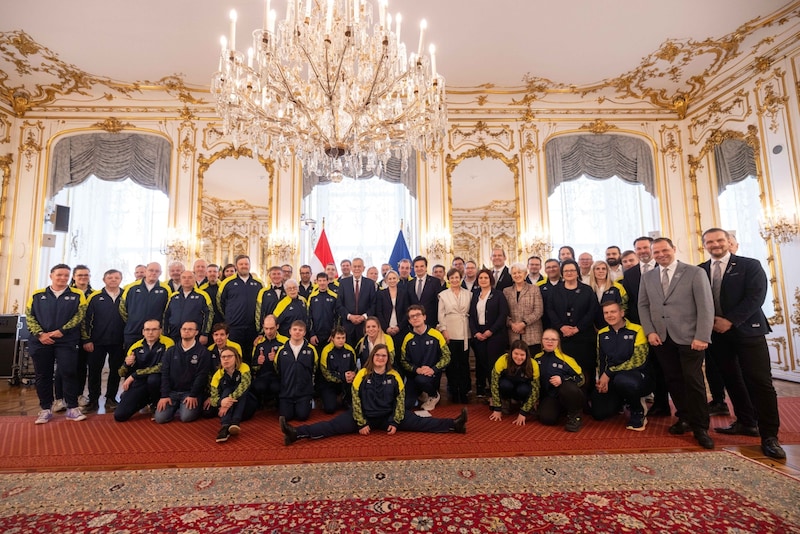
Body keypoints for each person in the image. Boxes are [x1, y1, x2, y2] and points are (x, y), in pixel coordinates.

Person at [700, 228, 785, 459]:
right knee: (732, 380)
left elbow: (756, 296)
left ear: (728, 242)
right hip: (717, 335)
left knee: (759, 382)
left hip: (748, 332)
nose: (715, 244)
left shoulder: (750, 265)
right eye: (710, 241)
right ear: (704, 245)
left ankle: (769, 436)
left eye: (719, 240)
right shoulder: (700, 270)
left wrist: (731, 320)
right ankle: (747, 422)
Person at [280, 344, 467, 445]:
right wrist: (361, 423)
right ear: (372, 358)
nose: (380, 358)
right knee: (331, 426)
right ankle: (296, 433)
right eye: (377, 356)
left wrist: (394, 421)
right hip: (363, 417)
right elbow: (356, 400)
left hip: (387, 417)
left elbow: (400, 403)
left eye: (384, 356)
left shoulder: (395, 376)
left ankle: (455, 424)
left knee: (421, 423)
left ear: (388, 359)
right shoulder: (362, 374)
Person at [638, 237, 715, 450]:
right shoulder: (648, 276)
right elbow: (643, 306)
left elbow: (706, 306)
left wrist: (702, 335)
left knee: (693, 381)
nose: (661, 255)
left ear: (674, 248)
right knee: (673, 380)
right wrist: (650, 331)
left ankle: (701, 427)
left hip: (691, 338)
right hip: (662, 338)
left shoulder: (694, 273)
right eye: (657, 252)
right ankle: (684, 418)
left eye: (665, 250)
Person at [26, 264, 88, 424]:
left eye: (66, 275)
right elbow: (29, 316)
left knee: (68, 372)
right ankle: (45, 409)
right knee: (43, 375)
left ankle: (72, 408)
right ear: (51, 275)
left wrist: (62, 330)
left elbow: (79, 316)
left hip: (66, 341)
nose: (63, 278)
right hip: (41, 342)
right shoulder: (37, 294)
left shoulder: (77, 294)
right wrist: (40, 334)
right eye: (59, 275)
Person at [621, 236, 670, 417]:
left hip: (665, 327)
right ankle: (658, 403)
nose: (642, 251)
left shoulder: (664, 268)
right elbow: (632, 303)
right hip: (640, 328)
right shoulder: (630, 273)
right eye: (638, 249)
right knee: (648, 366)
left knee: (666, 367)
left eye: (645, 248)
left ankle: (670, 404)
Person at [591, 301, 653, 431]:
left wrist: (608, 373)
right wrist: (602, 380)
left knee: (623, 380)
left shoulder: (637, 330)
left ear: (622, 313)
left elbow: (637, 361)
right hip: (612, 378)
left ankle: (638, 411)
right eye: (606, 313)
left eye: (613, 311)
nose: (609, 315)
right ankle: (620, 402)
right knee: (599, 413)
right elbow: (601, 359)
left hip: (635, 376)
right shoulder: (602, 333)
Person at [545, 260, 599, 393]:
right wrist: (561, 326)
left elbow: (592, 311)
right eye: (566, 271)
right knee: (564, 369)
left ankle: (586, 398)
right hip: (562, 337)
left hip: (583, 337)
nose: (569, 273)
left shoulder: (587, 290)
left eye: (572, 270)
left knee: (585, 368)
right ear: (562, 273)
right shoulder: (555, 290)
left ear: (577, 272)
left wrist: (577, 328)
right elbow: (550, 310)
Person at [81, 268, 125, 412]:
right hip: (96, 342)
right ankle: (93, 399)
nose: (113, 280)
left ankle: (111, 398)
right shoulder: (94, 297)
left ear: (121, 279)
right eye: (110, 277)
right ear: (104, 280)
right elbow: (86, 320)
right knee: (94, 371)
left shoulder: (126, 295)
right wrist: (87, 339)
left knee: (116, 371)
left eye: (116, 277)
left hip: (119, 341)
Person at [114, 319, 174, 422]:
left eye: (154, 329)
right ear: (143, 332)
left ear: (160, 331)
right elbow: (121, 372)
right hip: (141, 383)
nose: (150, 332)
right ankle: (143, 400)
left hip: (160, 383)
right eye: (147, 329)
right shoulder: (136, 346)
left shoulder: (168, 343)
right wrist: (126, 364)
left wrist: (135, 375)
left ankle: (154, 404)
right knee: (120, 416)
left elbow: (163, 367)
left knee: (153, 379)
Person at [154, 321, 211, 424]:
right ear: (180, 331)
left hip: (190, 393)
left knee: (186, 417)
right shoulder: (170, 351)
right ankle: (177, 407)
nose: (186, 331)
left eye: (190, 329)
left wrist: (193, 395)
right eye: (184, 329)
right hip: (172, 392)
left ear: (196, 332)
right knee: (160, 419)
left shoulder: (203, 352)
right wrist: (164, 395)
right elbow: (165, 374)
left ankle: (183, 407)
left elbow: (201, 376)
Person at [400, 305, 451, 412]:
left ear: (424, 317)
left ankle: (433, 395)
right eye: (412, 316)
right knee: (406, 405)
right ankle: (422, 394)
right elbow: (403, 361)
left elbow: (447, 356)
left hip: (431, 374)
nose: (415, 318)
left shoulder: (436, 335)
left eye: (418, 315)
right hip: (415, 375)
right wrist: (416, 369)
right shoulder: (407, 338)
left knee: (421, 380)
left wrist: (433, 369)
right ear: (409, 321)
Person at [469, 268, 509, 399]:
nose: (483, 280)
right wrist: (475, 332)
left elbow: (503, 314)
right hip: (479, 334)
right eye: (480, 278)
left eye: (486, 278)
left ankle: (496, 393)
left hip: (495, 334)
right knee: (482, 363)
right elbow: (471, 315)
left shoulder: (498, 294)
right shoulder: (474, 294)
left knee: (493, 364)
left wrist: (491, 331)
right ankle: (483, 389)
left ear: (490, 279)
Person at [534, 329, 585, 432]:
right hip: (551, 397)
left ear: (558, 341)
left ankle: (575, 415)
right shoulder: (537, 358)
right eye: (547, 339)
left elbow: (581, 379)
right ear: (542, 340)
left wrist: (563, 379)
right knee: (547, 419)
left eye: (553, 339)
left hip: (567, 394)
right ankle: (560, 411)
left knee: (568, 388)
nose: (550, 341)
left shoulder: (567, 360)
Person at [217, 255, 264, 362]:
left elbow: (262, 305)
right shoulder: (227, 283)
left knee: (251, 356)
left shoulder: (258, 283)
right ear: (236, 266)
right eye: (241, 264)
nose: (244, 266)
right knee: (234, 356)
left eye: (246, 264)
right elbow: (220, 303)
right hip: (234, 327)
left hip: (253, 328)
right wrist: (230, 316)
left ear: (250, 265)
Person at [437, 268, 472, 403]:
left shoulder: (469, 294)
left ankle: (464, 390)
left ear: (461, 278)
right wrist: (444, 330)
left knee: (463, 362)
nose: (454, 280)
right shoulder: (443, 295)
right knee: (451, 363)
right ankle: (453, 389)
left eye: (457, 277)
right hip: (450, 331)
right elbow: (441, 315)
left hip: (465, 332)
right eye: (452, 278)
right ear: (448, 279)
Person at [210, 345, 258, 443]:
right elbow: (213, 399)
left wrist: (228, 400)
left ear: (236, 357)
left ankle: (235, 422)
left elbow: (244, 386)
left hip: (246, 407)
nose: (226, 359)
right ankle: (225, 427)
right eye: (223, 357)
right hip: (228, 410)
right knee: (226, 390)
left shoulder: (244, 367)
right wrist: (221, 402)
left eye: (229, 356)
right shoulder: (217, 375)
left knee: (241, 391)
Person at [120, 262, 171, 350]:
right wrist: (132, 321)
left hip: (154, 333)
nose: (153, 273)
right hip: (133, 331)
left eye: (157, 271)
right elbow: (122, 308)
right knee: (130, 360)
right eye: (151, 270)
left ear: (160, 273)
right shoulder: (131, 287)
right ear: (146, 271)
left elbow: (167, 311)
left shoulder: (166, 289)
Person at [274, 320, 318, 421]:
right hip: (286, 392)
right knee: (286, 417)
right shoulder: (281, 350)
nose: (297, 332)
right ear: (290, 331)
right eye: (295, 329)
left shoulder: (311, 350)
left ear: (304, 333)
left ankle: (308, 402)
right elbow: (277, 369)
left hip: (304, 392)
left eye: (300, 330)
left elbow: (314, 368)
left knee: (302, 417)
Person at [489, 340, 540, 426]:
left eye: (522, 355)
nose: (519, 357)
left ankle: (524, 405)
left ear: (527, 355)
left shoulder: (533, 364)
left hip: (522, 388)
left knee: (524, 389)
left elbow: (536, 390)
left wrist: (523, 412)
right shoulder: (502, 360)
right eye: (516, 354)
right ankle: (505, 402)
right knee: (505, 384)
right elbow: (494, 384)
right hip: (507, 386)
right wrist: (497, 408)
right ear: (511, 352)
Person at [503, 262, 544, 355]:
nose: (517, 275)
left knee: (532, 363)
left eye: (519, 272)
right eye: (514, 273)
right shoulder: (506, 291)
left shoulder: (534, 289)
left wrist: (523, 323)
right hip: (513, 334)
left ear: (525, 274)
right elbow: (503, 313)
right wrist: (512, 324)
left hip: (532, 334)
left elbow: (538, 311)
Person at [163, 270, 213, 344]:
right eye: (184, 277)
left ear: (195, 279)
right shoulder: (173, 296)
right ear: (180, 280)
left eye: (190, 277)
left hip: (194, 335)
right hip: (174, 335)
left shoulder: (202, 295)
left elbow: (209, 314)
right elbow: (166, 314)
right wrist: (165, 333)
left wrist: (204, 334)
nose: (186, 280)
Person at [336, 257, 377, 346]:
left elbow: (373, 304)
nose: (357, 269)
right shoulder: (343, 283)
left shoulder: (370, 283)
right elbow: (339, 304)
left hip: (364, 326)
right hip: (347, 325)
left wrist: (363, 317)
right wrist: (349, 316)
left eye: (359, 266)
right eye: (355, 266)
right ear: (351, 268)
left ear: (363, 268)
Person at [318, 327, 357, 413]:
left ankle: (344, 398)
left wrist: (353, 374)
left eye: (343, 338)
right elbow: (326, 374)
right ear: (332, 338)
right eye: (338, 338)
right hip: (330, 384)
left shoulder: (350, 350)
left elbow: (354, 368)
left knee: (350, 408)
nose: (341, 340)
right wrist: (343, 377)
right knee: (330, 409)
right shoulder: (326, 351)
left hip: (346, 383)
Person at [250, 315, 285, 408]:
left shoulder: (285, 342)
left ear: (277, 326)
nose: (269, 332)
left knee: (276, 387)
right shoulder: (258, 342)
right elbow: (253, 366)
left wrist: (276, 360)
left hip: (278, 377)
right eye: (266, 328)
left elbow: (288, 366)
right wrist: (258, 362)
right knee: (258, 386)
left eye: (271, 328)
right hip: (262, 376)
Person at [375, 269, 409, 361]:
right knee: (387, 354)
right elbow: (379, 312)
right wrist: (386, 328)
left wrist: (399, 327)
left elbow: (407, 312)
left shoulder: (404, 293)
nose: (392, 280)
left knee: (400, 355)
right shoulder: (381, 294)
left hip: (401, 330)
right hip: (386, 330)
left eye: (394, 278)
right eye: (389, 279)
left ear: (398, 279)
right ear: (386, 281)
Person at [407, 255, 443, 328]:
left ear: (426, 267)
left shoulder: (435, 282)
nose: (419, 268)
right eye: (416, 267)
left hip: (431, 322)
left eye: (421, 266)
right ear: (413, 268)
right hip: (414, 322)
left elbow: (438, 303)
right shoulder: (409, 283)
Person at [589, 260, 628, 325]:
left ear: (607, 271)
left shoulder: (617, 287)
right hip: (593, 327)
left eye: (604, 269)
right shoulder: (588, 289)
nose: (601, 271)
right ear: (593, 271)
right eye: (597, 269)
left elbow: (625, 306)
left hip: (615, 325)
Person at [307, 272, 338, 348]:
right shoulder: (312, 297)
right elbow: (308, 317)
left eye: (324, 280)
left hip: (330, 336)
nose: (322, 283)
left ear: (328, 281)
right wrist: (312, 334)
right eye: (320, 281)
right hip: (316, 336)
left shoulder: (334, 296)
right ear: (316, 282)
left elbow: (337, 317)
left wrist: (334, 334)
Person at [199, 264, 224, 328]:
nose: (212, 274)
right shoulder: (201, 289)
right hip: (206, 322)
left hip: (222, 321)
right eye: (210, 272)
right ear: (206, 274)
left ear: (218, 274)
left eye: (215, 271)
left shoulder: (224, 287)